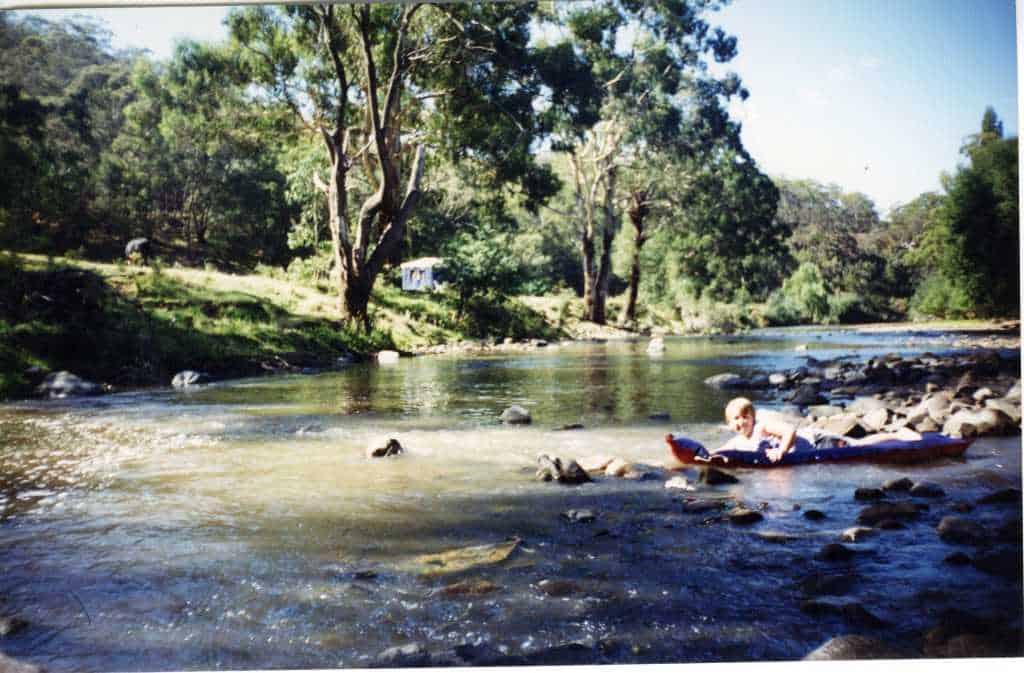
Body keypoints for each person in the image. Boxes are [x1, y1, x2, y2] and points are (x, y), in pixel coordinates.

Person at [719, 396, 923, 463]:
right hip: (810, 448)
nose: (741, 422)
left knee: (858, 444)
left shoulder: (761, 427)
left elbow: (789, 431)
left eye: (745, 417)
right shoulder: (738, 440)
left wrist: (781, 450)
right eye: (736, 419)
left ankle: (897, 433)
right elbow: (722, 451)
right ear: (729, 424)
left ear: (753, 418)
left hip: (817, 441)